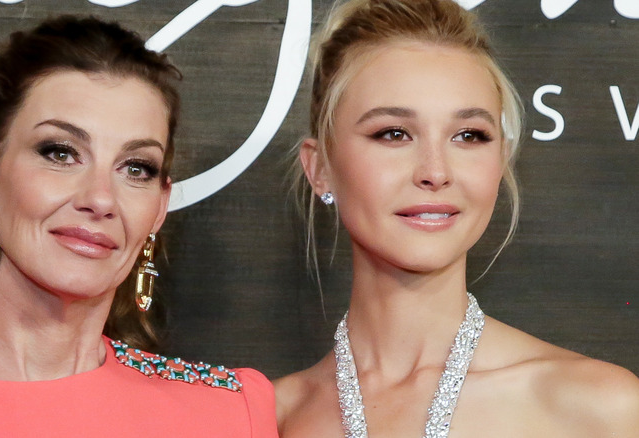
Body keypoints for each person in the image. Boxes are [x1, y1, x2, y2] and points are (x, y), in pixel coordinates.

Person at [0, 15, 277, 437]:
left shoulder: (227, 413)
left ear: (159, 207)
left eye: (136, 168)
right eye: (61, 153)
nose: (100, 199)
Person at [274, 0, 639, 437]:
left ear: (501, 160)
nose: (435, 171)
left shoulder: (598, 408)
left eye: (469, 136)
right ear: (320, 168)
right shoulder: (267, 418)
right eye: (393, 133)